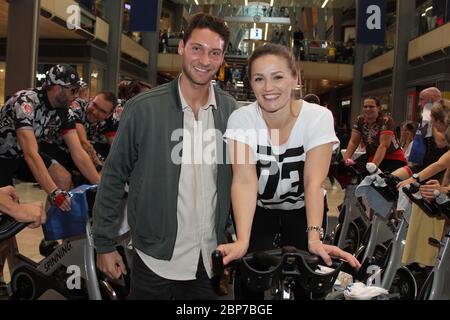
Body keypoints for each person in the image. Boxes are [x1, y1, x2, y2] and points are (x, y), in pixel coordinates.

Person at [92, 12, 237, 300]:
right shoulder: (143, 109)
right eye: (197, 49)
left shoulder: (230, 111)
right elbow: (113, 176)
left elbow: (240, 180)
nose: (205, 60)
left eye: (215, 53)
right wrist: (104, 244)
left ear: (222, 58)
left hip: (207, 260)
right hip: (154, 257)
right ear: (182, 47)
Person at [217, 44, 360, 299]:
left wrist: (314, 238)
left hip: (303, 208)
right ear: (251, 83)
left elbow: (313, 183)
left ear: (295, 78)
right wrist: (242, 241)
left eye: (278, 76)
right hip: (260, 208)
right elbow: (244, 180)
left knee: (308, 280)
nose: (268, 87)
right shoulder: (242, 119)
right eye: (259, 79)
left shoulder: (317, 117)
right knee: (251, 278)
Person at [343, 96, 406, 172]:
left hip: (392, 157)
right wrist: (344, 161)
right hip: (372, 155)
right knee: (352, 169)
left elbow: (383, 145)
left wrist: (373, 167)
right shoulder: (360, 120)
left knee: (376, 177)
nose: (367, 109)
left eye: (371, 107)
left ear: (378, 108)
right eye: (365, 106)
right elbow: (353, 142)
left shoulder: (386, 120)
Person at [71, 91, 119, 168]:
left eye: (102, 111)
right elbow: (83, 142)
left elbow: (116, 149)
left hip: (92, 150)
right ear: (90, 100)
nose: (95, 112)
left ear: (108, 115)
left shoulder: (112, 120)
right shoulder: (77, 105)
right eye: (94, 105)